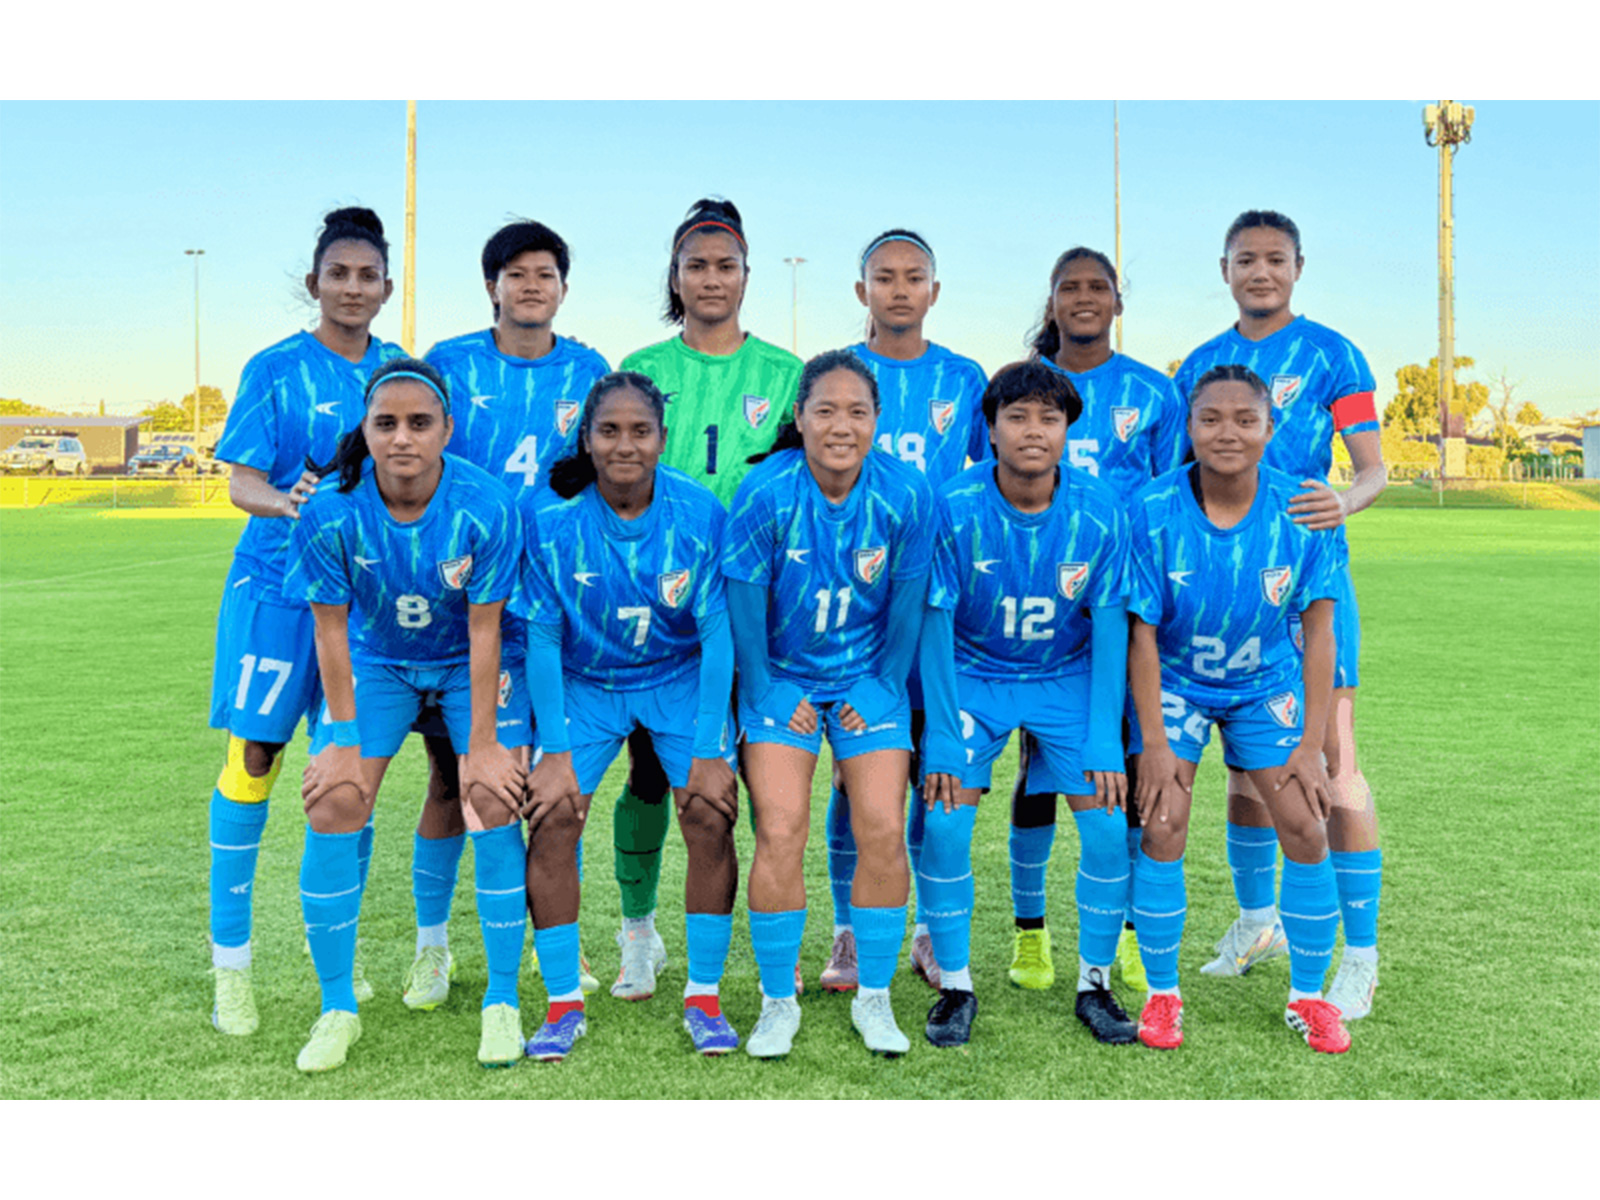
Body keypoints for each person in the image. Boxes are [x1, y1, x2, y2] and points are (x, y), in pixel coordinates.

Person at [286, 357, 528, 1072]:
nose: (402, 438)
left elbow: (485, 631)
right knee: (332, 800)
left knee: (488, 795)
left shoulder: (486, 506)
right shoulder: (331, 506)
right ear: (365, 428)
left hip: (465, 658)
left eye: (419, 423)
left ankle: (502, 1001)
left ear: (447, 429)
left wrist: (481, 743)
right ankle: (337, 1007)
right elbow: (331, 628)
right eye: (385, 423)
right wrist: (339, 737)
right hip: (379, 660)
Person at [1173, 212, 1387, 1019]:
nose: (1260, 272)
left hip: (1303, 585)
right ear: (1224, 268)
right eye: (1245, 260)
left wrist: (1342, 501)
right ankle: (1261, 924)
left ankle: (1358, 960)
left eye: (1275, 259)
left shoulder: (1335, 354)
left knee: (1333, 768)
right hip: (1221, 598)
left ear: (1298, 266)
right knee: (1249, 774)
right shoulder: (1201, 363)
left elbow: (1371, 473)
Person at [401, 219, 610, 1010]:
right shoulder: (448, 365)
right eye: (516, 273)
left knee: (547, 789)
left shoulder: (590, 369)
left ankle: (557, 941)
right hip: (458, 609)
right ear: (492, 284)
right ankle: (432, 950)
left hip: (548, 607)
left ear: (563, 286)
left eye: (546, 273)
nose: (531, 285)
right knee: (453, 784)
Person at [205, 207, 403, 1036]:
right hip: (275, 590)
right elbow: (240, 481)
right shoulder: (277, 366)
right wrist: (285, 501)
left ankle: (338, 961)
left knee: (346, 777)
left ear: (386, 287)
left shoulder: (399, 369)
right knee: (256, 756)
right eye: (339, 275)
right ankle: (232, 971)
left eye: (368, 277)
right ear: (315, 282)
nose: (353, 289)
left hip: (359, 604)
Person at [605, 198, 802, 1001]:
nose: (711, 279)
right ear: (675, 278)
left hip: (757, 612)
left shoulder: (786, 374)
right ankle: (639, 934)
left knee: (754, 788)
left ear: (747, 276)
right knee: (652, 778)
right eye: (696, 266)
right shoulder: (642, 367)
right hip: (659, 617)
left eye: (726, 266)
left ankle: (759, 959)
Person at [1125, 364, 1350, 1054]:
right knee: (1161, 823)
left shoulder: (1303, 508)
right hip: (1179, 680)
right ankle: (1163, 995)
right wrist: (1156, 742)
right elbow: (1140, 632)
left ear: (1269, 429)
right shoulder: (1151, 508)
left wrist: (1311, 742)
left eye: (1245, 420)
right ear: (1189, 428)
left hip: (1264, 684)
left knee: (1308, 825)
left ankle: (1310, 999)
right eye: (1211, 419)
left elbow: (1318, 632)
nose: (1228, 432)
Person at [516, 372, 740, 1061]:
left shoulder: (700, 512)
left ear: (662, 439)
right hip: (587, 682)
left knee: (708, 810)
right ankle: (562, 1004)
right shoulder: (551, 521)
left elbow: (718, 635)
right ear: (586, 438)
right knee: (552, 814)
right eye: (609, 430)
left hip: (675, 678)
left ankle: (704, 996)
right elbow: (545, 638)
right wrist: (552, 750)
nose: (625, 445)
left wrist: (708, 748)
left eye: (640, 431)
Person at [917, 360, 1135, 1048]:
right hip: (973, 675)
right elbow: (934, 625)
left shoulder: (1101, 509)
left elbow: (1109, 628)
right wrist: (946, 738)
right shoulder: (952, 507)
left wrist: (1103, 736)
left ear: (1069, 428)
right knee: (947, 822)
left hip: (1064, 677)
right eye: (1017, 417)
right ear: (989, 429)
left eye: (1049, 417)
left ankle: (1094, 985)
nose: (1033, 431)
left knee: (1104, 826)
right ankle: (955, 986)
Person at [724, 349, 935, 1058]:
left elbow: (906, 608)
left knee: (881, 822)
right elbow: (744, 611)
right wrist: (769, 691)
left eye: (857, 411)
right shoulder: (766, 492)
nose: (840, 425)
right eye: (825, 410)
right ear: (799, 417)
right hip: (782, 677)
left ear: (877, 420)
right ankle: (777, 1003)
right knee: (780, 828)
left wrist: (881, 685)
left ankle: (874, 998)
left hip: (865, 680)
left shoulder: (906, 494)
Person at [1007, 248, 1187, 996]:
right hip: (1037, 613)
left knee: (1133, 768)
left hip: (1126, 602)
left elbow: (1178, 486)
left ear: (1119, 300)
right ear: (1050, 302)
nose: (1083, 298)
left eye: (1097, 287)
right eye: (1068, 287)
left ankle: (1134, 933)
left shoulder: (1154, 391)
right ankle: (1031, 936)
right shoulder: (1024, 386)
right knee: (1035, 771)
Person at [819, 229, 990, 996]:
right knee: (853, 780)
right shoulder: (836, 374)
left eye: (912, 277)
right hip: (854, 605)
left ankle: (923, 929)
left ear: (934, 291)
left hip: (939, 603)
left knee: (926, 772)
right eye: (882, 277)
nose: (897, 289)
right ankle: (848, 934)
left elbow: (988, 478)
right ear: (861, 291)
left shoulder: (965, 376)